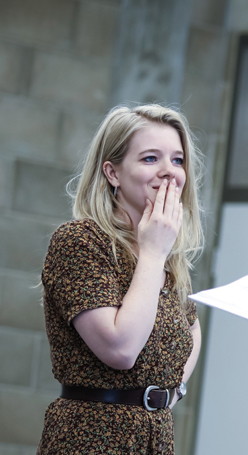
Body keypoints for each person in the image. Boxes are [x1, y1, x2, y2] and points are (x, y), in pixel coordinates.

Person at [37, 104, 204, 454]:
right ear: (112, 173)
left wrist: (172, 391)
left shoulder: (166, 255)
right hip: (91, 436)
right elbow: (121, 348)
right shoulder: (80, 241)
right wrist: (154, 253)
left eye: (177, 160)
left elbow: (190, 329)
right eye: (149, 159)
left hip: (155, 436)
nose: (169, 173)